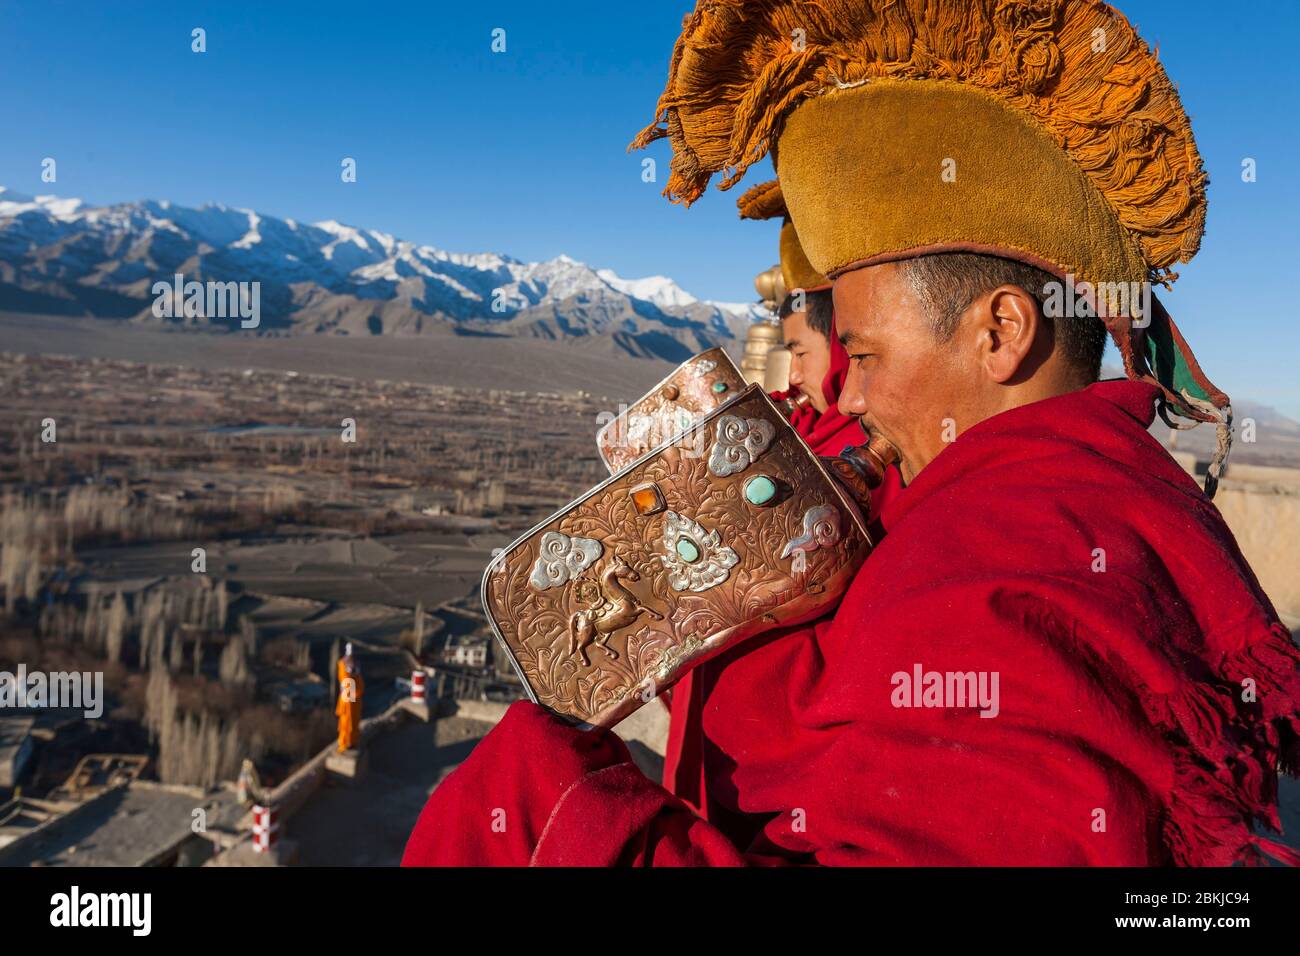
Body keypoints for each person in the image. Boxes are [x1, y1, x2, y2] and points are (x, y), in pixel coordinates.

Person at [402, 0, 1300, 866]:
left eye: (862, 353)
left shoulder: (1003, 570)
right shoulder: (1045, 497)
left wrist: (545, 810)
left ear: (1000, 333)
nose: (849, 393)